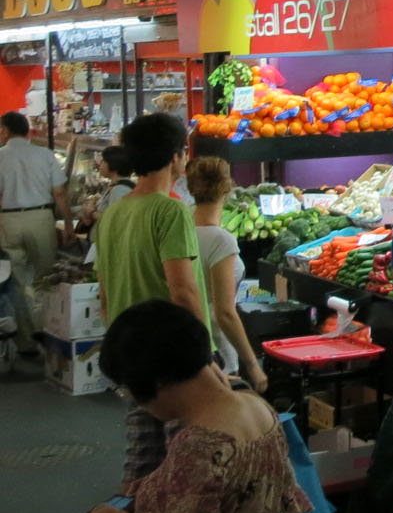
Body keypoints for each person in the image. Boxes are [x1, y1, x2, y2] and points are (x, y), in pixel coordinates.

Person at [30, 300, 308, 513]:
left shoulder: (199, 449)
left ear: (159, 381)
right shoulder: (257, 408)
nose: (133, 400)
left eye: (128, 390)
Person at [94, 112, 210, 490]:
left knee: (142, 462)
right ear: (178, 156)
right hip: (173, 356)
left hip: (132, 353)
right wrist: (205, 352)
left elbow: (104, 293)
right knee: (185, 462)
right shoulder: (171, 210)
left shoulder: (113, 213)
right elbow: (183, 290)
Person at [185, 157, 268, 393]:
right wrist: (252, 364)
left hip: (188, 339)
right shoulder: (220, 240)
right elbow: (224, 313)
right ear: (227, 187)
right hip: (216, 348)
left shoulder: (181, 227)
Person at [0, 109, 75, 355]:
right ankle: (49, 333)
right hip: (41, 217)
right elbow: (60, 193)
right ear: (28, 131)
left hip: (8, 220)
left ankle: (26, 340)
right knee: (46, 279)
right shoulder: (45, 155)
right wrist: (68, 225)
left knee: (18, 283)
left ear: (5, 131)